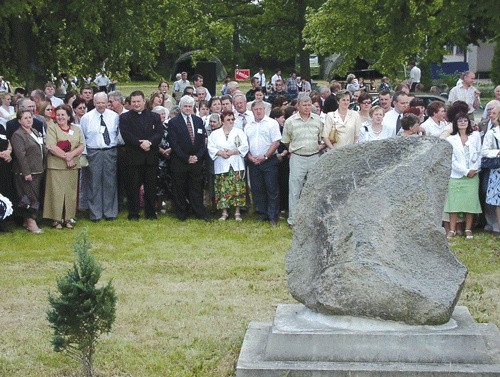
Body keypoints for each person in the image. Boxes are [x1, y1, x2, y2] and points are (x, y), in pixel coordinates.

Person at [119, 91, 163, 221]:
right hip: (133, 158)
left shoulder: (154, 116)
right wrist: (140, 144)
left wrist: (149, 142)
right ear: (130, 103)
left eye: (138, 101)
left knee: (151, 186)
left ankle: (150, 213)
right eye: (134, 102)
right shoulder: (124, 117)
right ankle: (133, 213)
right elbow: (126, 135)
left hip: (151, 157)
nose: (136, 104)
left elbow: (159, 133)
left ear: (144, 101)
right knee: (132, 187)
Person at [282, 94, 325, 227]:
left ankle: (313, 218)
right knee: (295, 189)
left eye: (309, 105)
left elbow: (322, 138)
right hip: (297, 158)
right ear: (298, 106)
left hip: (314, 157)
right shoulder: (290, 121)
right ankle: (293, 220)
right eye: (304, 105)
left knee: (314, 188)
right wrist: (296, 149)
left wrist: (319, 147)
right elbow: (286, 141)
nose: (307, 107)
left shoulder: (318, 120)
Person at [79, 92, 121, 222]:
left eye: (103, 102)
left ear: (107, 102)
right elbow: (83, 137)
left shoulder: (114, 116)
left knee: (110, 182)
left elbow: (118, 135)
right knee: (94, 183)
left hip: (110, 151)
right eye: (98, 103)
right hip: (93, 152)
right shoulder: (86, 118)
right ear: (94, 102)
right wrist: (85, 154)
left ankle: (110, 212)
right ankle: (95, 214)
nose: (101, 105)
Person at [167, 95, 209, 221]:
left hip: (196, 161)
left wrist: (197, 156)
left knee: (196, 188)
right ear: (180, 107)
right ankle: (181, 213)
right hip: (180, 162)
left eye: (190, 106)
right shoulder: (173, 122)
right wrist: (186, 158)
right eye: (185, 106)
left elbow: (203, 142)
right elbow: (174, 143)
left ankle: (199, 212)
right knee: (179, 189)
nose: (187, 108)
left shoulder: (198, 121)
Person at [43, 104, 84, 229]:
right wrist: (67, 158)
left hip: (73, 166)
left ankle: (68, 218)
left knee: (71, 193)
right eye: (58, 114)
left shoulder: (76, 129)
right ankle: (56, 219)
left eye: (63, 115)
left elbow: (81, 145)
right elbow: (51, 146)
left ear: (68, 116)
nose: (61, 117)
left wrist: (71, 155)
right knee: (56, 192)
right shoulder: (52, 128)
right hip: (56, 166)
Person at [443, 114, 482, 239]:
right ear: (455, 123)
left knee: (470, 202)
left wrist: (474, 169)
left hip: (473, 174)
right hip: (456, 175)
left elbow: (479, 153)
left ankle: (468, 229)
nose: (463, 123)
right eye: (460, 121)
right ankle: (452, 229)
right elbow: (452, 160)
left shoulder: (475, 136)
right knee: (453, 203)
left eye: (465, 120)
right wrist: (465, 171)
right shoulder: (451, 139)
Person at [245, 100, 281, 225]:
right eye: (256, 109)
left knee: (271, 188)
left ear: (264, 110)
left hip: (269, 160)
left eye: (261, 109)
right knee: (257, 188)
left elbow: (276, 142)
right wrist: (249, 156)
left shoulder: (272, 123)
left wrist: (265, 156)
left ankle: (272, 216)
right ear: (252, 111)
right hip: (253, 161)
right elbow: (246, 144)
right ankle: (262, 213)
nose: (258, 111)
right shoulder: (248, 125)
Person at [208, 110, 248, 221]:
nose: (231, 122)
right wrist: (220, 153)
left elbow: (245, 146)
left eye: (232, 119)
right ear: (222, 121)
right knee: (222, 188)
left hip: (236, 163)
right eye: (228, 120)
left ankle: (237, 211)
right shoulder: (215, 134)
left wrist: (233, 151)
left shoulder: (239, 132)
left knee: (237, 187)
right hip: (221, 163)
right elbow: (211, 147)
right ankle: (224, 212)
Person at [10, 110, 45, 233]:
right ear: (19, 121)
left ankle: (27, 220)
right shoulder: (18, 135)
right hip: (26, 172)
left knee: (33, 196)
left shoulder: (35, 131)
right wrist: (26, 172)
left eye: (30, 117)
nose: (29, 120)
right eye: (25, 118)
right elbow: (21, 156)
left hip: (38, 170)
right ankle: (31, 221)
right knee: (29, 198)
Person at [480, 108, 500, 234]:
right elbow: (484, 151)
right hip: (498, 170)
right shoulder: (492, 133)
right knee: (499, 202)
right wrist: (498, 152)